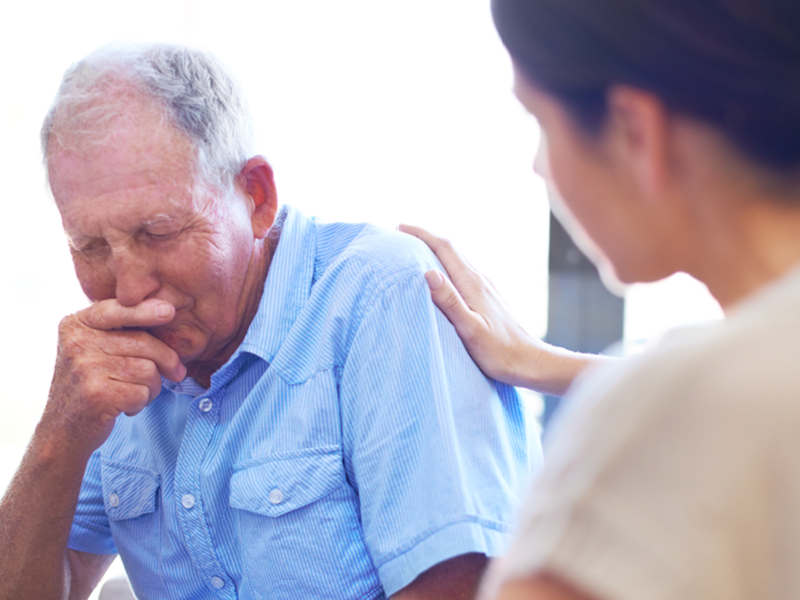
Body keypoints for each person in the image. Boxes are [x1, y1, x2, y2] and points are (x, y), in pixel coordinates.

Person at [0, 44, 539, 600]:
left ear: (256, 197)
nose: (130, 287)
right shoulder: (113, 366)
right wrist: (58, 438)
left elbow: (462, 590)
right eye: (90, 246)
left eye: (157, 233)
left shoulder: (381, 294)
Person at [402, 0, 800, 598]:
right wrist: (539, 362)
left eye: (541, 122)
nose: (539, 167)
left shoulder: (661, 411)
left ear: (634, 130)